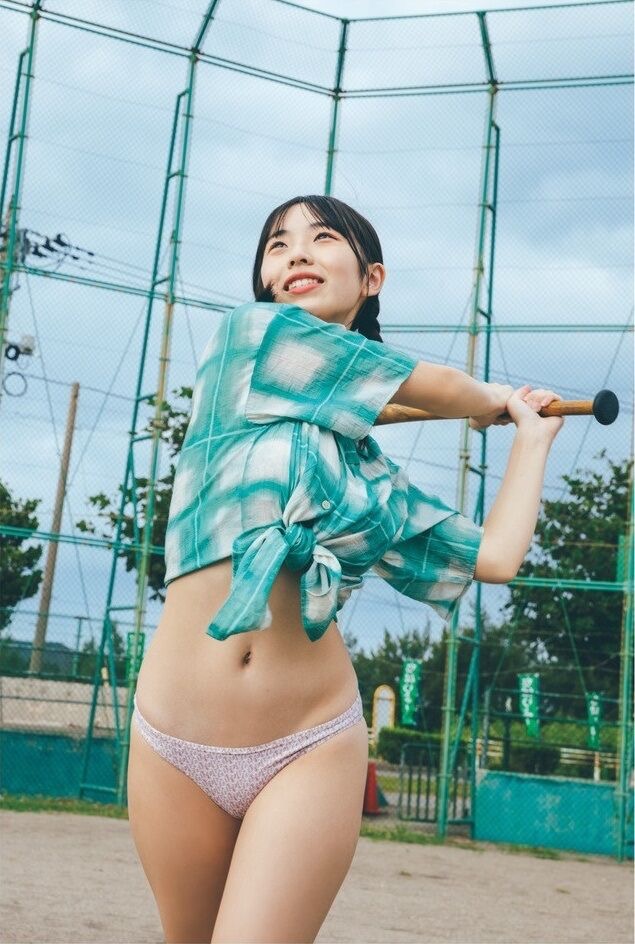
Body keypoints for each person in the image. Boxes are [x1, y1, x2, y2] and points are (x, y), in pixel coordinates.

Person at [127, 194, 563, 943]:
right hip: (171, 736)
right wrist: (486, 398)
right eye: (277, 244)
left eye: (322, 237)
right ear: (266, 283)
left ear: (371, 278)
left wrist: (530, 438)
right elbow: (428, 385)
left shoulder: (365, 479)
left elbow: (493, 557)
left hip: (307, 745)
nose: (295, 251)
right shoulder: (250, 339)